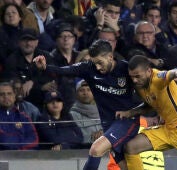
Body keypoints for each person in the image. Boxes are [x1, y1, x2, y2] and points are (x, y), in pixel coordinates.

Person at [33, 39, 142, 169]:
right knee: (124, 166)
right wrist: (45, 67)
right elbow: (65, 70)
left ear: (110, 57)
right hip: (108, 123)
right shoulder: (89, 68)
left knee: (96, 149)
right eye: (95, 63)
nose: (97, 67)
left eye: (100, 63)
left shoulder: (126, 69)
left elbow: (148, 80)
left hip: (127, 121)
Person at [0, 81, 39, 150]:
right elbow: (3, 140)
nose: (6, 97)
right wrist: (21, 141)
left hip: (23, 158)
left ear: (14, 96)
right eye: (1, 94)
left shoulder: (24, 117)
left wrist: (18, 147)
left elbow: (34, 139)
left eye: (9, 94)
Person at [69, 80, 102, 147]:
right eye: (81, 90)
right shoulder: (72, 114)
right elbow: (78, 137)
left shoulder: (103, 110)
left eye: (89, 90)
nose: (85, 93)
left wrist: (103, 133)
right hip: (85, 150)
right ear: (76, 94)